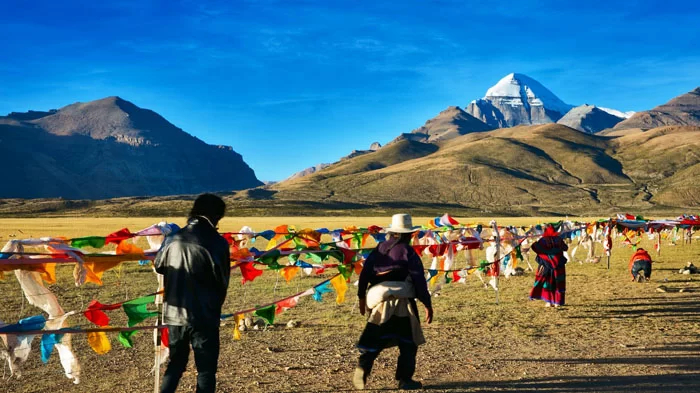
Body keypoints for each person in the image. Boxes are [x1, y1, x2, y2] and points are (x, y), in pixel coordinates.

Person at [155, 194, 231, 393]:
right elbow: (222, 280)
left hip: (174, 312)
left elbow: (159, 265)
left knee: (176, 364)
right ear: (216, 216)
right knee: (206, 370)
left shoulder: (173, 238)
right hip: (205, 314)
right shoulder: (218, 242)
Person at [354, 213, 433, 391]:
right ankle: (405, 380)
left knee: (376, 336)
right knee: (409, 342)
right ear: (410, 234)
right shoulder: (408, 251)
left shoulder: (379, 249)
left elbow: (365, 273)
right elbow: (419, 279)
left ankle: (363, 366)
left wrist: (361, 298)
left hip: (379, 301)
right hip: (403, 302)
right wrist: (427, 304)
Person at [529, 225, 568, 307]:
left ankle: (549, 302)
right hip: (559, 265)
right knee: (558, 283)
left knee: (548, 283)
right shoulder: (559, 239)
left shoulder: (543, 240)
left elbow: (535, 247)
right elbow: (565, 248)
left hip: (546, 265)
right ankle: (557, 302)